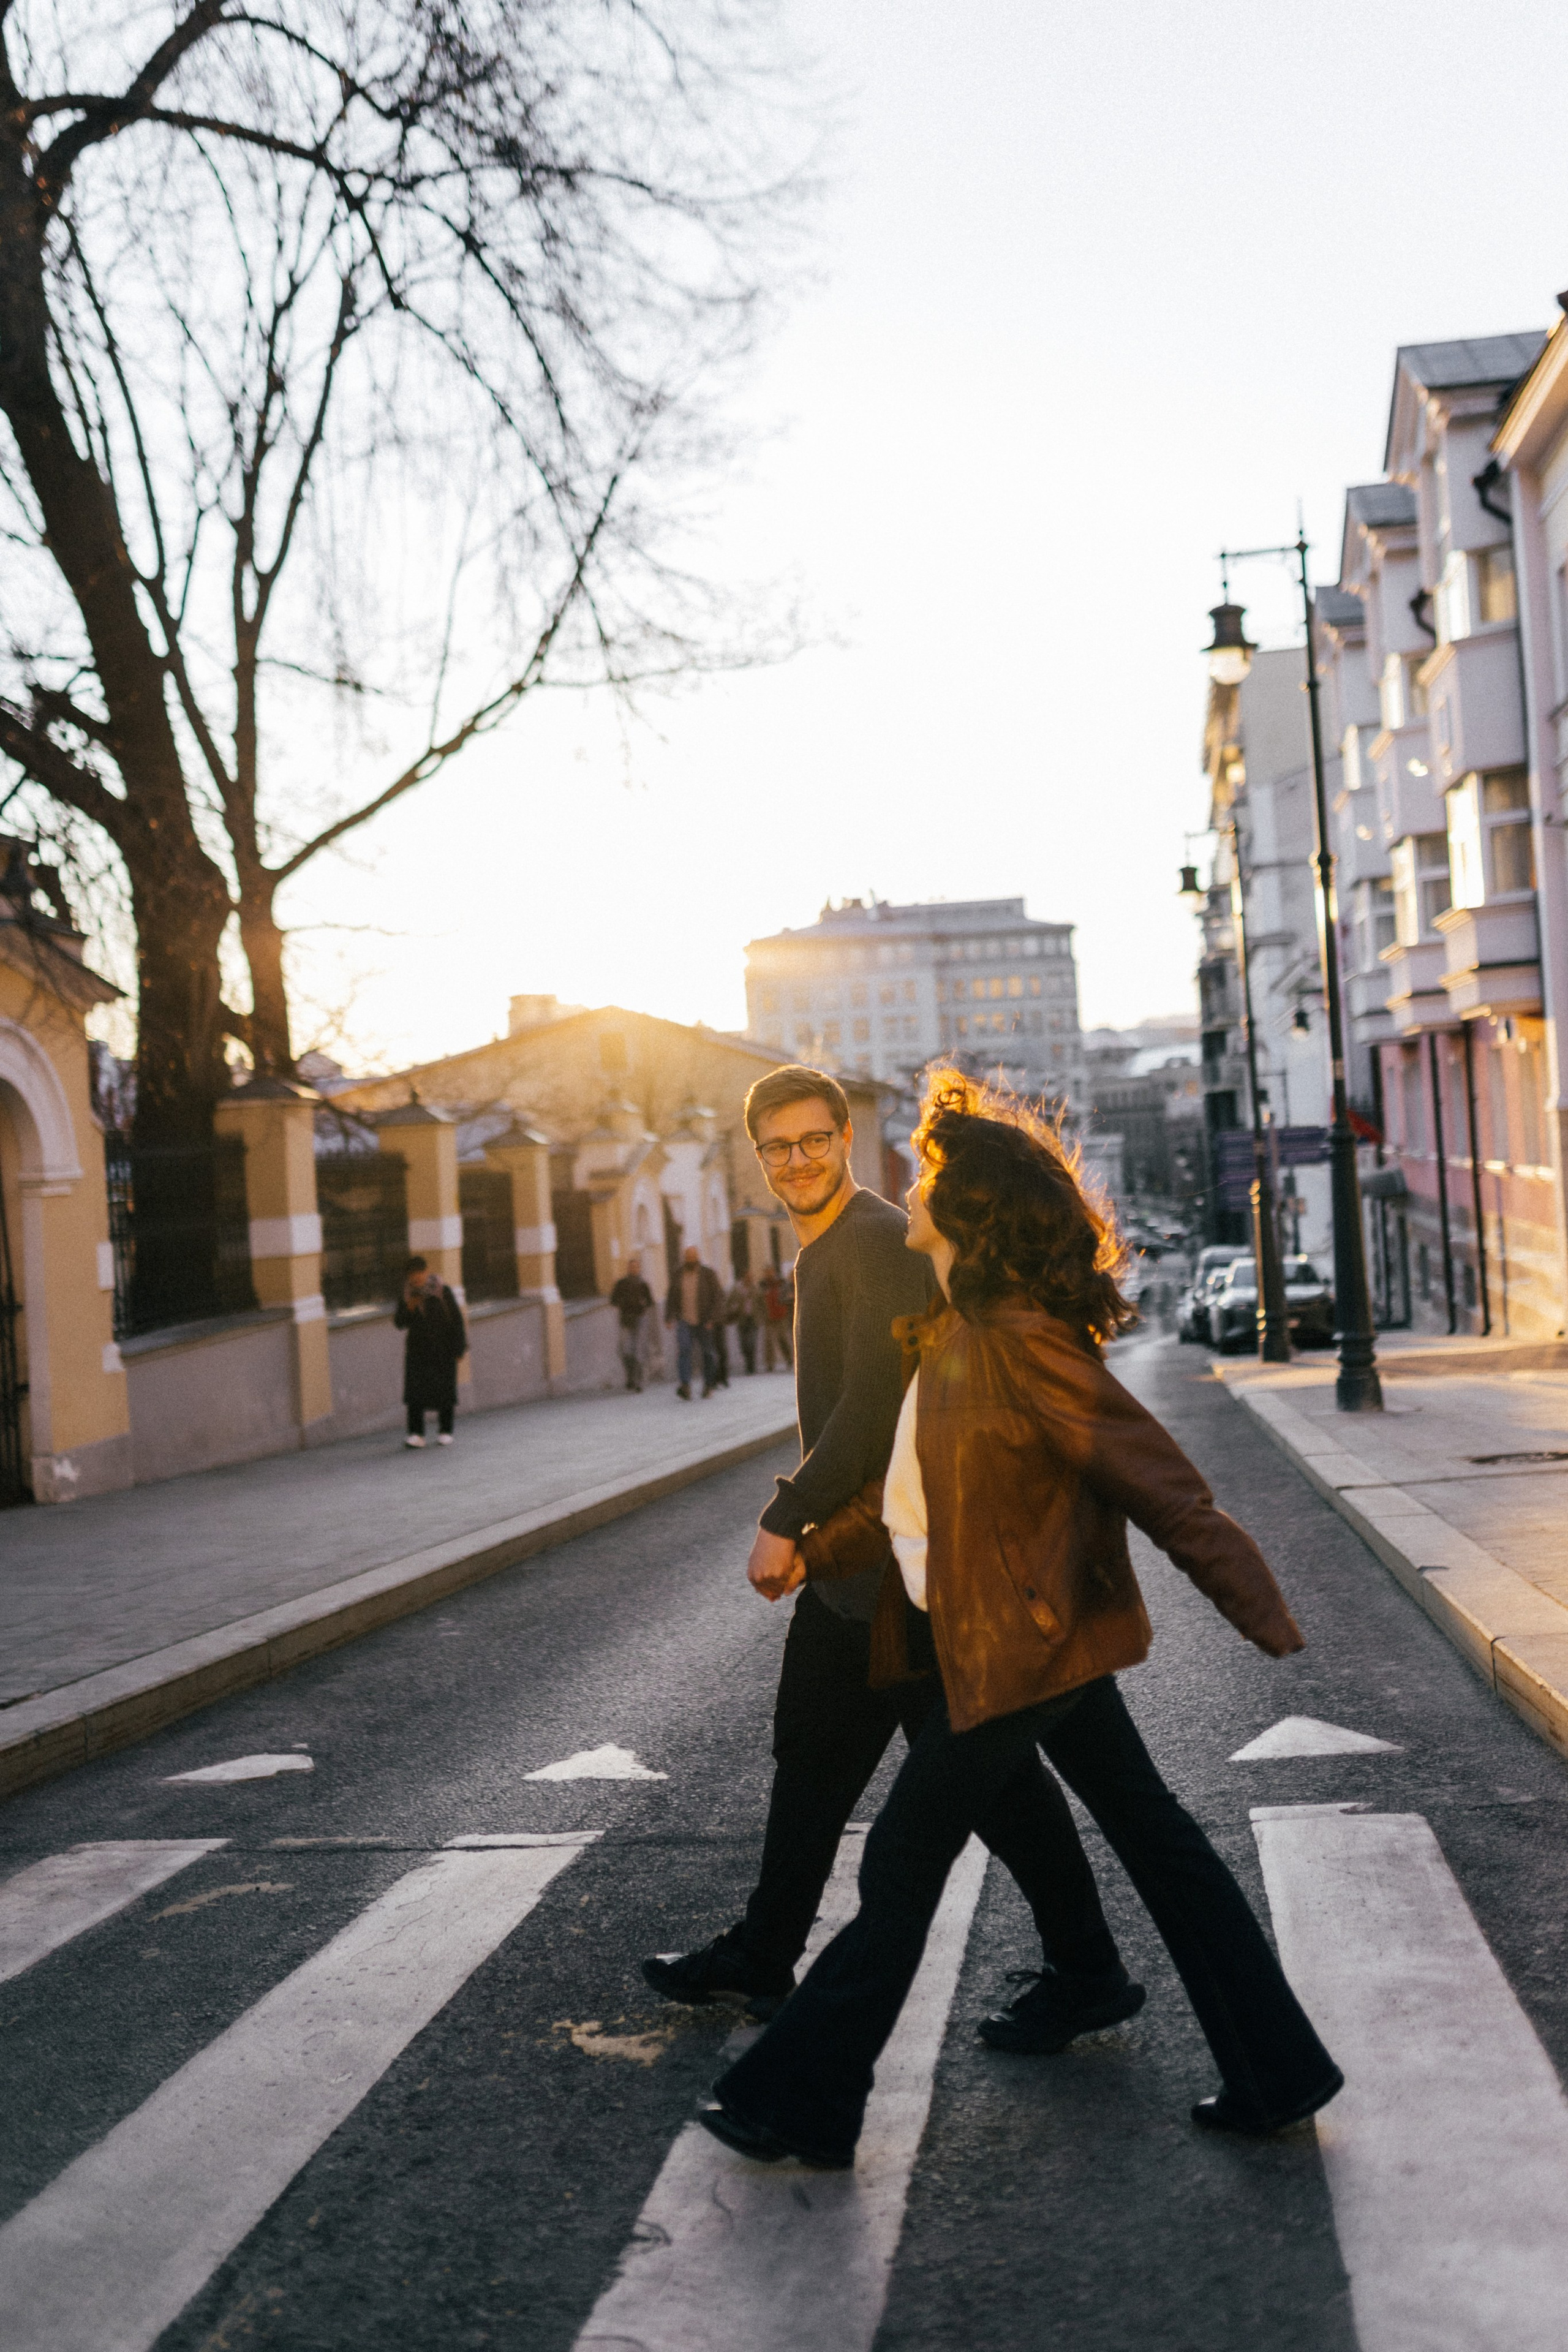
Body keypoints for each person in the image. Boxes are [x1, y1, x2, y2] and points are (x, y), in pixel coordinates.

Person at [698, 1073, 1342, 2169]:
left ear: (970, 1216)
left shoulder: (1020, 1340)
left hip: (1018, 1653)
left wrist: (1259, 1607)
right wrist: (818, 1546)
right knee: (1161, 1844)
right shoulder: (949, 1330)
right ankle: (1276, 2070)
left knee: (900, 1871)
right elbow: (920, 1504)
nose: (919, 1197)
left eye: (936, 1185)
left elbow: (1160, 1479)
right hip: (1032, 1638)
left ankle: (798, 2100)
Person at [644, 1066, 1134, 2045]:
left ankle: (1087, 1967)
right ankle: (765, 1954)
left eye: (816, 1140)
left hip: (899, 1570)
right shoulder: (829, 1246)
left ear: (845, 1141)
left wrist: (788, 1515)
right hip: (862, 1568)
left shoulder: (867, 1239)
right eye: (779, 1146)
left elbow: (870, 1405)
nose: (799, 1160)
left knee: (992, 1782)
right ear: (758, 1159)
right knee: (812, 1758)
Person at [394, 1256, 467, 1447]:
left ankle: (445, 1431)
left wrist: (459, 1348)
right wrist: (409, 1308)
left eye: (419, 1274)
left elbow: (457, 1320)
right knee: (415, 1393)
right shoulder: (407, 1295)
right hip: (418, 1352)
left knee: (445, 1390)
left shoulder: (443, 1291)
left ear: (426, 1273)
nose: (416, 1278)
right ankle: (416, 1434)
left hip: (443, 1349)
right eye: (412, 1275)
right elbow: (399, 1323)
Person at [665, 1243, 722, 1400]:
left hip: (704, 1320)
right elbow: (671, 1296)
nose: (690, 1259)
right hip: (684, 1319)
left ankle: (708, 1385)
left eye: (693, 1256)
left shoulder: (708, 1274)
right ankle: (685, 1385)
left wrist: (712, 1318)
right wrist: (669, 1317)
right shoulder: (678, 1274)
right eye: (688, 1257)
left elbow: (717, 1297)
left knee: (708, 1353)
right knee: (684, 1350)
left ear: (698, 1257)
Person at [609, 1264, 655, 1392]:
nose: (634, 1269)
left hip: (640, 1318)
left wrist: (643, 1303)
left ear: (639, 1269)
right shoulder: (621, 1284)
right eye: (632, 1267)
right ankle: (630, 1376)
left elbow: (650, 1301)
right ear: (628, 1269)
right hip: (625, 1319)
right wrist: (622, 1302)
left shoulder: (643, 1284)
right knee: (624, 1350)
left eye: (636, 1267)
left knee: (638, 1350)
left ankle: (638, 1381)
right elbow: (613, 1300)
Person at [758, 1262, 793, 1371]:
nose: (768, 1274)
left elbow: (787, 1296)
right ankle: (770, 1363)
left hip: (781, 1315)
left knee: (783, 1339)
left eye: (770, 1271)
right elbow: (759, 1300)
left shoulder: (781, 1283)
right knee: (769, 1342)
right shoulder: (762, 1285)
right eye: (766, 1272)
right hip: (769, 1317)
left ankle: (789, 1359)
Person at [728, 1273, 760, 1375]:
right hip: (742, 1320)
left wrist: (762, 1317)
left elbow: (762, 1304)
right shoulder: (737, 1290)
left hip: (753, 1319)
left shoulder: (756, 1289)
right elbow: (729, 1302)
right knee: (743, 1344)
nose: (749, 1280)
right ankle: (748, 1362)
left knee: (752, 1343)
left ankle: (751, 1365)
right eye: (747, 1278)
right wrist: (733, 1309)